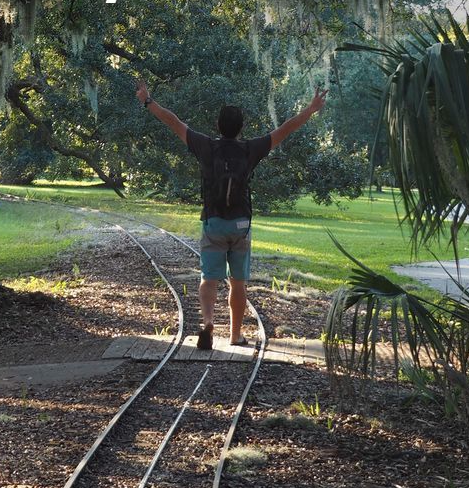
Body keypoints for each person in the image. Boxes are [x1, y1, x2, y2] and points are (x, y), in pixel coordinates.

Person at [134, 77, 327, 350]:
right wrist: (310, 109)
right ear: (241, 128)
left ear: (218, 126)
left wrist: (148, 101)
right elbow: (285, 129)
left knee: (209, 278)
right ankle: (235, 335)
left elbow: (173, 121)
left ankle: (208, 321)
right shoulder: (251, 149)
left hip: (213, 223)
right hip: (240, 226)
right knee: (238, 283)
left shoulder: (205, 146)